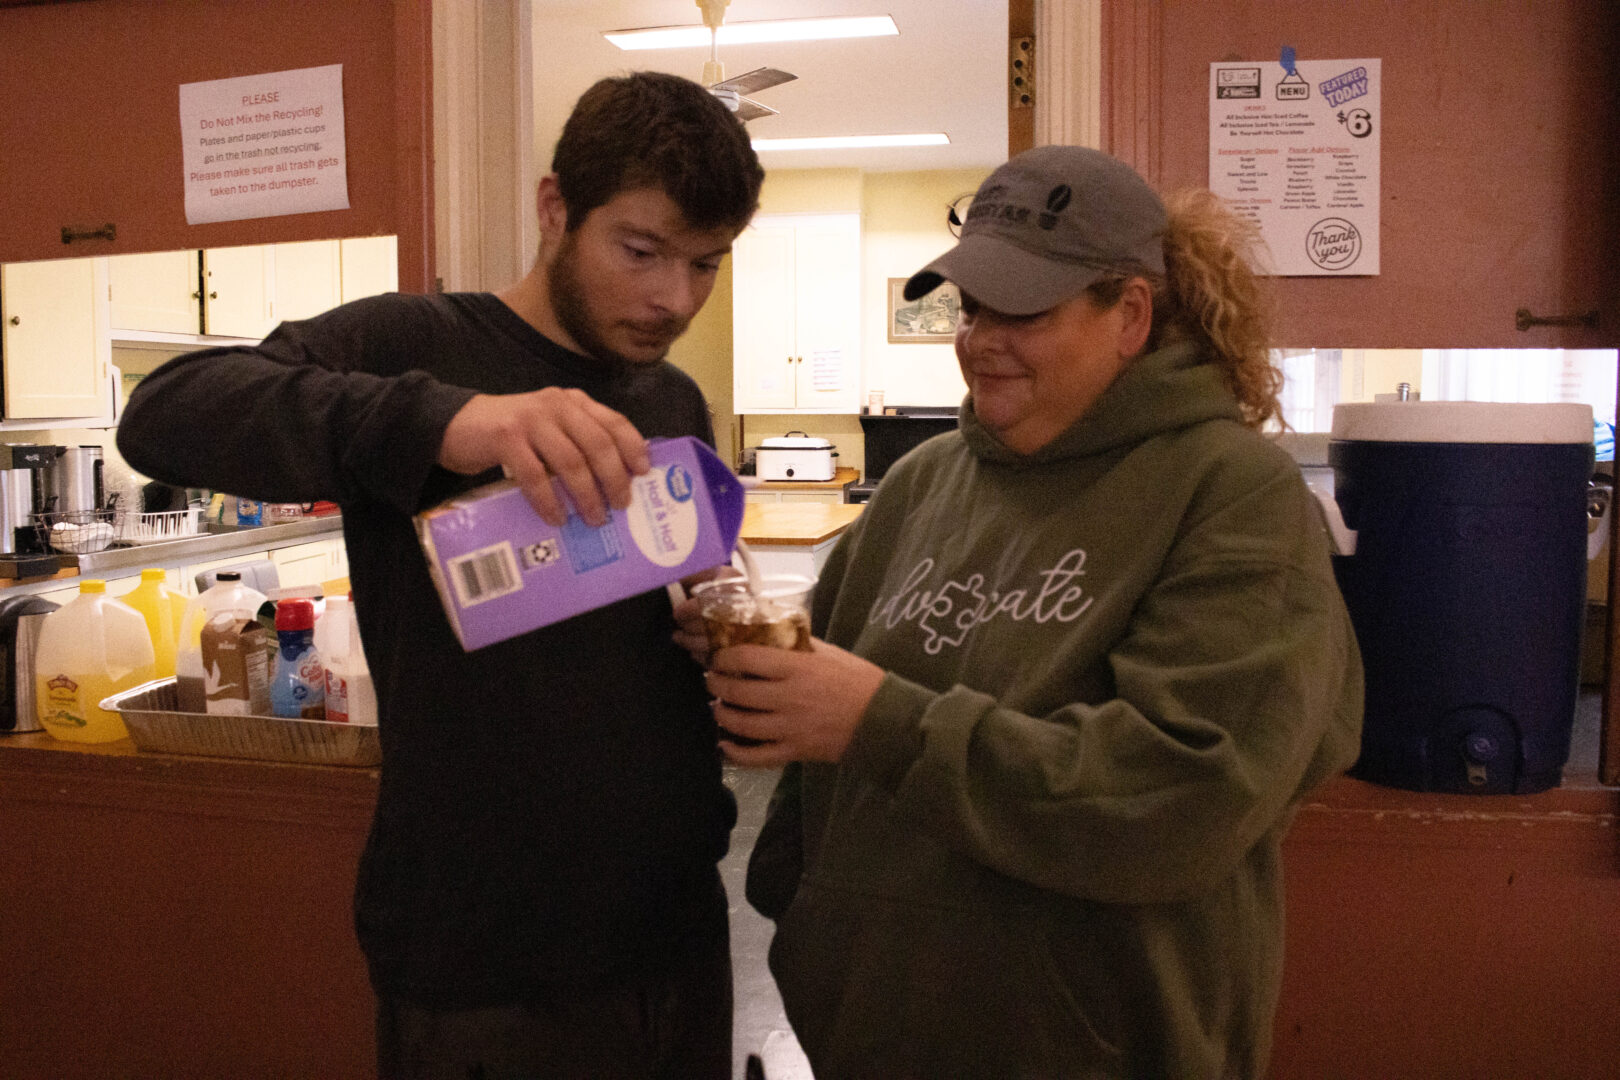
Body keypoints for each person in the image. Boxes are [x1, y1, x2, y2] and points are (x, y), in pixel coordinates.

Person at [117, 71, 763, 1080]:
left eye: (706, 265)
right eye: (640, 251)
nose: (672, 298)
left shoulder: (671, 398)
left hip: (672, 934)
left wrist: (711, 624)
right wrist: (458, 424)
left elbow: (635, 632)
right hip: (479, 965)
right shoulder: (411, 346)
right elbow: (166, 411)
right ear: (556, 209)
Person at [680, 146, 1364, 1078]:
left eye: (1024, 310)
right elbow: (820, 746)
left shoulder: (1232, 493)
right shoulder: (922, 484)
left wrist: (881, 720)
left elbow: (1186, 795)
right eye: (971, 308)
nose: (979, 339)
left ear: (1128, 315)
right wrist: (809, 909)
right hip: (870, 1037)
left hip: (1093, 1049)